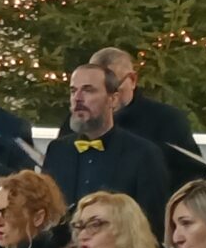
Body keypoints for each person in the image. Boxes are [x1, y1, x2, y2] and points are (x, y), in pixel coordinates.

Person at [42, 60, 170, 233]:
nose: (78, 98)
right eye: (73, 91)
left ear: (113, 99)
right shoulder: (58, 150)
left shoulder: (143, 154)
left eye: (88, 90)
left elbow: (152, 225)